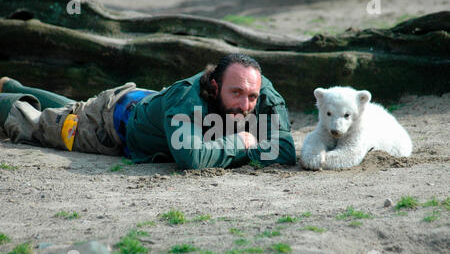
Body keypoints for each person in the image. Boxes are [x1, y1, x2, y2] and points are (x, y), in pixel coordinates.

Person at [0, 53, 296, 169]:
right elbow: (191, 157)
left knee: (76, 107)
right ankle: (8, 98)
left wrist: (230, 147)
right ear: (216, 86)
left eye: (252, 97)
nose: (245, 106)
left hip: (142, 103)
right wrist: (243, 143)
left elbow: (283, 148)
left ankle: (10, 84)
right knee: (35, 124)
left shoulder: (261, 91)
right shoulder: (187, 100)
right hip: (109, 125)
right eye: (236, 94)